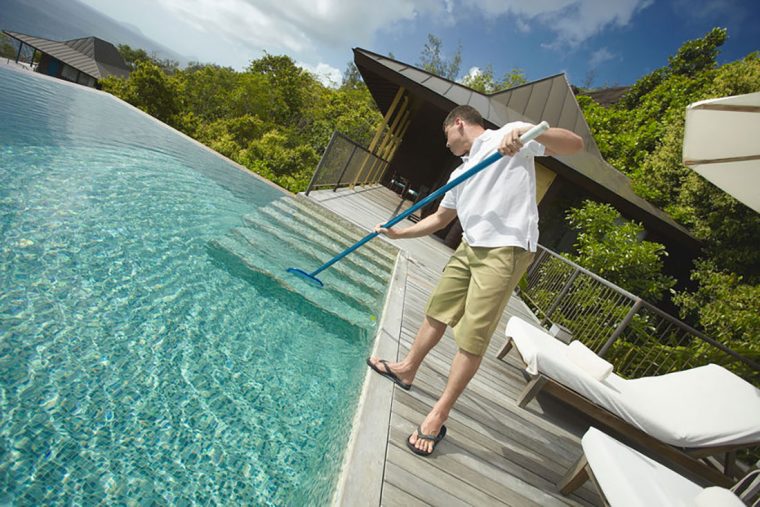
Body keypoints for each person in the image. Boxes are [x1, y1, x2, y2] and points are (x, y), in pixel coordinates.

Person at [367, 105, 584, 456]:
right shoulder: (460, 173)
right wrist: (400, 234)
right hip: (470, 246)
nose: (446, 144)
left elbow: (574, 145)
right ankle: (407, 369)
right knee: (436, 311)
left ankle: (438, 415)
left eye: (446, 136)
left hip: (505, 248)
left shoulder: (508, 135)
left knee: (472, 336)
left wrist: (531, 133)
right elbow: (440, 218)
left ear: (458, 124)